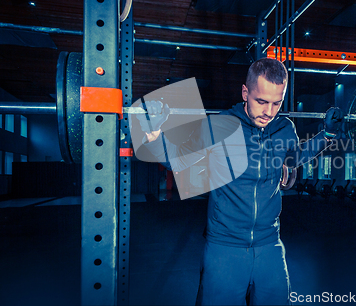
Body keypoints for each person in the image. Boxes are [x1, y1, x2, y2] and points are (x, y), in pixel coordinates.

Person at [137, 57, 343, 305]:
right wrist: (156, 133)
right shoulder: (220, 126)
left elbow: (295, 156)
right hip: (225, 248)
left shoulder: (285, 128)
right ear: (245, 92)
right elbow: (178, 159)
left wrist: (327, 134)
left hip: (269, 245)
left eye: (276, 103)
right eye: (261, 101)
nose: (269, 112)